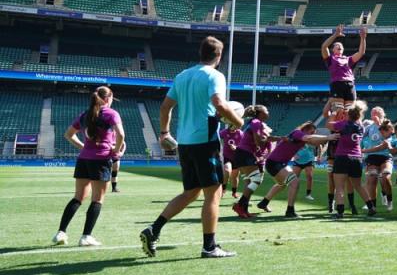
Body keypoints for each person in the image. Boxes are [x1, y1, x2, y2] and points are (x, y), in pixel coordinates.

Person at [140, 37, 244, 259]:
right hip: (205, 141)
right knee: (213, 194)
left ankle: (154, 229)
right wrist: (238, 122)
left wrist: (164, 133)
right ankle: (209, 246)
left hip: (185, 142)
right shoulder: (215, 75)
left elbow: (166, 106)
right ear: (219, 56)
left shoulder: (182, 75)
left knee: (191, 192)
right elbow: (219, 103)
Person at [53, 86, 126, 247]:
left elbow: (68, 134)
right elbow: (121, 135)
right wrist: (115, 151)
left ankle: (61, 232)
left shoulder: (85, 115)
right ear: (108, 99)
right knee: (97, 199)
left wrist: (83, 148)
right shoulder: (111, 114)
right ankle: (86, 236)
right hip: (101, 160)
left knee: (78, 197)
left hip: (83, 160)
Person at [257, 123, 338, 218]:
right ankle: (290, 211)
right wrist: (328, 137)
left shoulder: (301, 138)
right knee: (294, 182)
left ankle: (264, 203)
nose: (312, 134)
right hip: (274, 163)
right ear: (305, 129)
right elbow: (310, 138)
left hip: (278, 163)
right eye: (311, 132)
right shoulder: (297, 133)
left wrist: (328, 139)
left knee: (282, 184)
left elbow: (314, 142)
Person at [330, 103, 376, 218]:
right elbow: (356, 119)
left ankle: (340, 212)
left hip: (342, 157)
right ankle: (371, 207)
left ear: (348, 115)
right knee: (358, 185)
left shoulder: (343, 124)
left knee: (339, 186)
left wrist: (334, 112)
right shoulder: (361, 126)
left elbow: (328, 124)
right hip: (356, 158)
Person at [232, 105, 273, 219]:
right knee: (257, 180)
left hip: (242, 154)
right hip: (245, 154)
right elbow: (258, 142)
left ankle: (244, 210)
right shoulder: (256, 122)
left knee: (249, 182)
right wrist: (269, 140)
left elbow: (258, 142)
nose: (268, 112)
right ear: (260, 113)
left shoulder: (254, 122)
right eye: (266, 110)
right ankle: (240, 205)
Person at [321, 25, 366, 109]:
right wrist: (335, 35)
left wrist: (363, 38)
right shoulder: (330, 58)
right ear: (333, 50)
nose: (339, 46)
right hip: (337, 84)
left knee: (349, 111)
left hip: (349, 84)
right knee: (338, 111)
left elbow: (361, 53)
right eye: (337, 45)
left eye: (341, 45)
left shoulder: (348, 59)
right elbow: (324, 46)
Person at [361, 107, 394, 211]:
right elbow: (360, 140)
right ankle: (373, 206)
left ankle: (389, 200)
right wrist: (358, 150)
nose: (374, 116)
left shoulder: (388, 125)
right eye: (372, 114)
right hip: (372, 157)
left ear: (382, 115)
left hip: (385, 156)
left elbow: (387, 140)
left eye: (376, 114)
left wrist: (380, 125)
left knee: (385, 177)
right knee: (372, 178)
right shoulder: (369, 128)